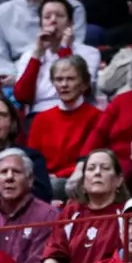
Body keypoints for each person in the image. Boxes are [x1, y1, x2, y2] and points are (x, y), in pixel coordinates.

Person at [39, 148, 129, 263]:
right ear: (83, 181)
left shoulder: (127, 213)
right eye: (91, 168)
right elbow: (53, 254)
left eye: (105, 168)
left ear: (119, 180)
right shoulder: (71, 212)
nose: (97, 173)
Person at [12, 0, 100, 115]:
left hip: (75, 112)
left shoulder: (89, 53)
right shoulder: (29, 56)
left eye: (59, 16)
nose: (53, 20)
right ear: (40, 24)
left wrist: (65, 49)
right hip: (39, 114)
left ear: (70, 23)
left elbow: (85, 91)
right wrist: (37, 54)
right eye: (47, 17)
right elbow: (22, 96)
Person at [26, 56, 102, 184]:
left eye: (70, 79)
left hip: (80, 180)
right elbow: (32, 159)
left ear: (84, 83)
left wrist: (58, 176)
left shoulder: (98, 117)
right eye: (59, 79)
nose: (64, 85)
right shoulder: (40, 119)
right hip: (44, 181)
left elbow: (92, 159)